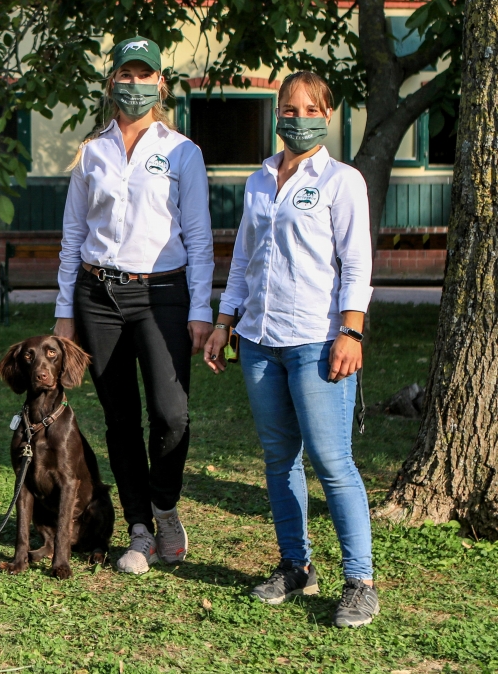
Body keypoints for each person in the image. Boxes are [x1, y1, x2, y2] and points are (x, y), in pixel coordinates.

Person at [204, 71, 378, 628]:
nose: (297, 117)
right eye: (288, 107)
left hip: (317, 341)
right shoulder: (259, 180)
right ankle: (295, 566)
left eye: (310, 109)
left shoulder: (342, 181)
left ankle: (360, 580)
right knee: (280, 461)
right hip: (259, 341)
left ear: (327, 117)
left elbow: (356, 263)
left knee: (333, 462)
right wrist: (224, 322)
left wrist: (350, 332)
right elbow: (245, 261)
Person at [53, 36, 214, 575]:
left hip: (162, 293)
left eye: (146, 76)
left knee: (171, 414)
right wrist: (64, 309)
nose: (135, 85)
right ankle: (140, 528)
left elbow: (198, 233)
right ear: (112, 82)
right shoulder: (92, 151)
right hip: (96, 295)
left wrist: (200, 310)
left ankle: (165, 505)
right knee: (120, 418)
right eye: (126, 74)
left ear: (161, 84)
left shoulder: (181, 152)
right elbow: (73, 233)